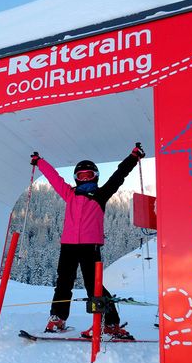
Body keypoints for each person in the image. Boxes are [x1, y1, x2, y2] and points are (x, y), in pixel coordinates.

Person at [30, 143, 145, 339]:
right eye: (81, 176)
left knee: (94, 285)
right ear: (76, 178)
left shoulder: (101, 194)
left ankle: (109, 323)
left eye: (88, 176)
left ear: (95, 176)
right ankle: (58, 317)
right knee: (63, 282)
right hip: (68, 246)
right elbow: (54, 178)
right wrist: (40, 162)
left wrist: (133, 157)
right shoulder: (69, 194)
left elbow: (119, 175)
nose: (85, 179)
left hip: (90, 246)